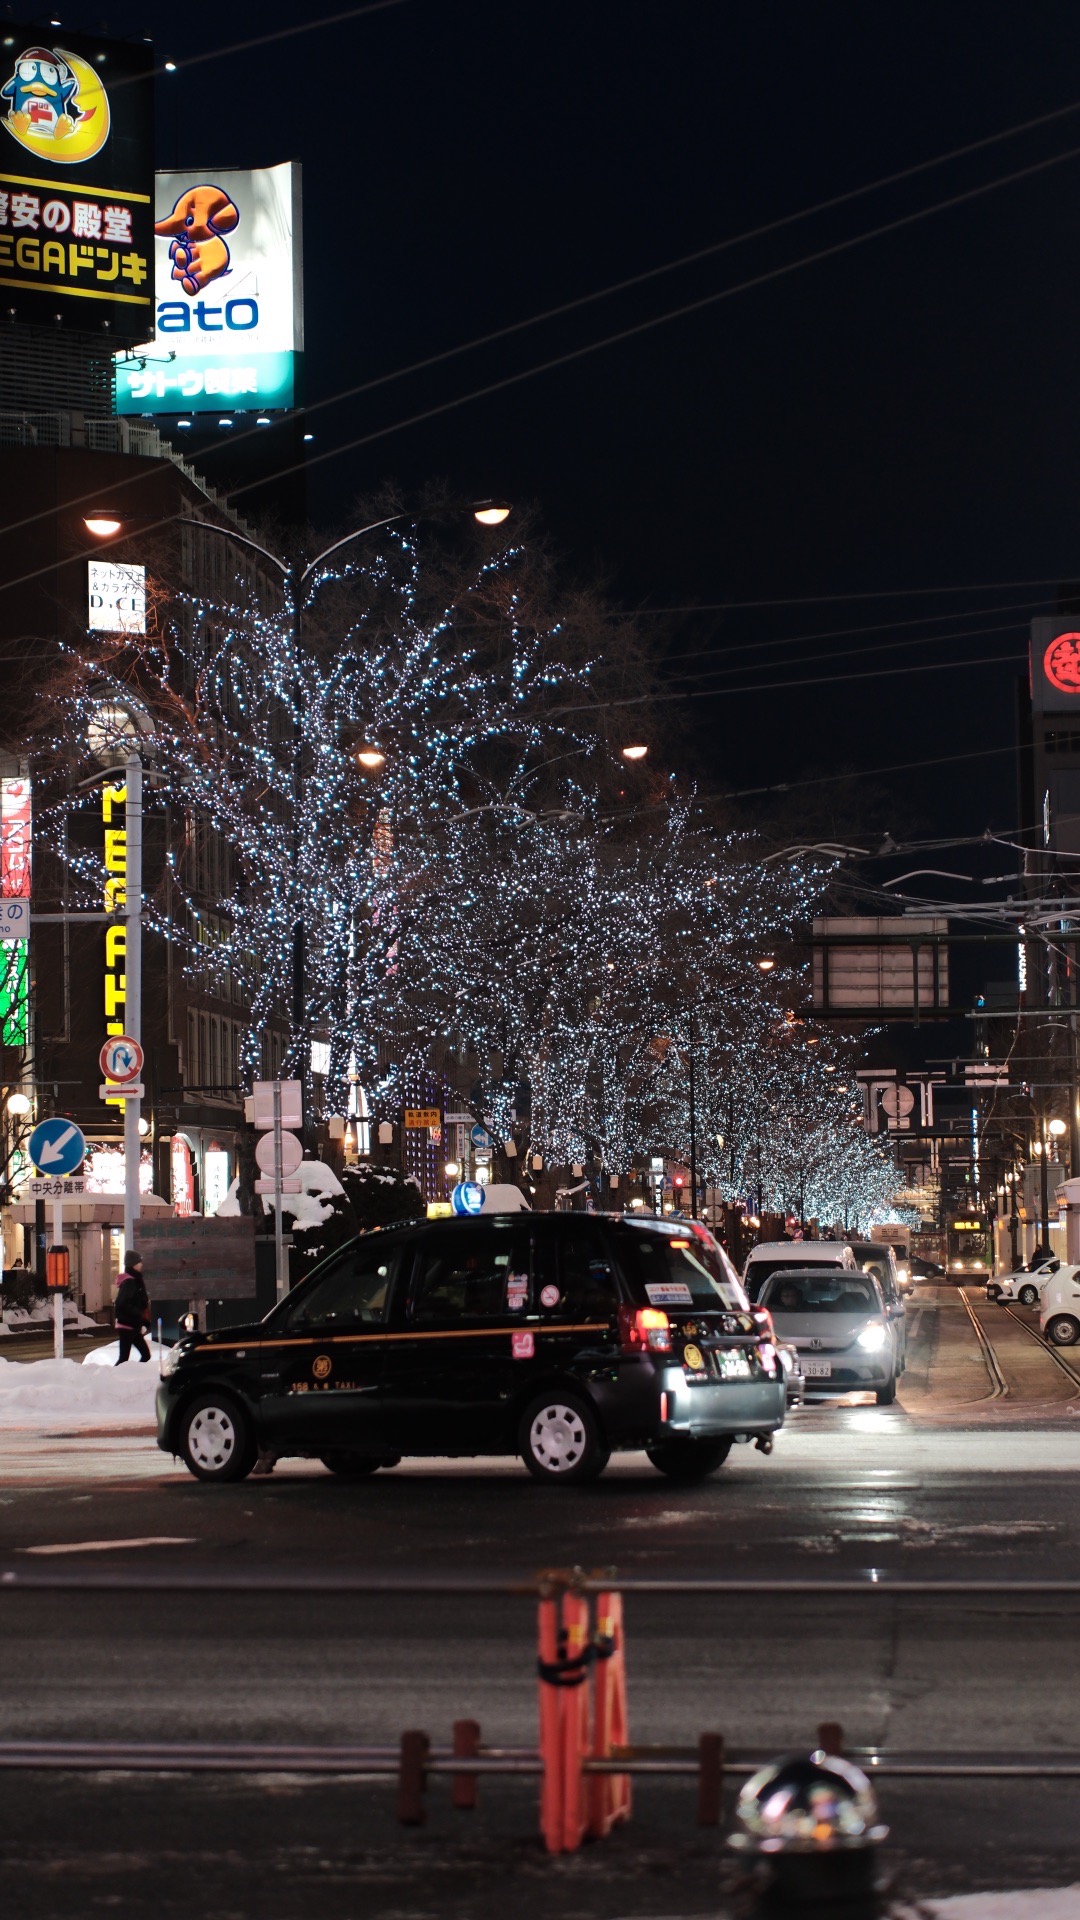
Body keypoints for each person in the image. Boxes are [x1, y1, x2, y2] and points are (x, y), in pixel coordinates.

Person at [114, 1252, 151, 1364]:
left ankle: (134, 1375)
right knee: (124, 1358)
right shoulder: (130, 1282)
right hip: (127, 1326)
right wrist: (138, 1313)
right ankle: (111, 1377)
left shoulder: (135, 1280)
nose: (141, 1264)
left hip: (133, 1325)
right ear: (133, 1264)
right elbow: (121, 1303)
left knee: (145, 1355)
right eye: (139, 1262)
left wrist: (143, 1320)